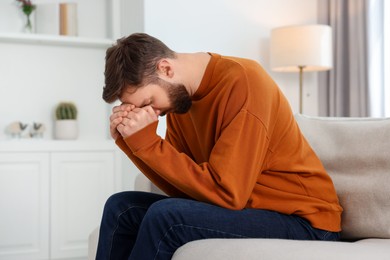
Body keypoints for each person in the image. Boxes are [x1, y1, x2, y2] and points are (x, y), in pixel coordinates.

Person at [96, 33, 343, 260]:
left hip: (304, 221)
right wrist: (131, 144)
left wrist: (147, 144)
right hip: (251, 209)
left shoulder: (245, 82)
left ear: (165, 68)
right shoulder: (181, 102)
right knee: (121, 208)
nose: (152, 113)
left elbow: (229, 193)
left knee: (166, 216)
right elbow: (183, 188)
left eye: (149, 102)